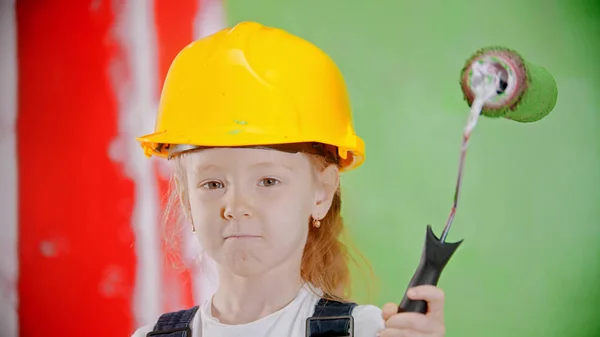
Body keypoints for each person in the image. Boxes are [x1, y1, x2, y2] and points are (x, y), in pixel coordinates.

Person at [132, 21, 446, 337]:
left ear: (321, 194)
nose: (237, 206)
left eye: (268, 181)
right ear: (188, 201)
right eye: (213, 184)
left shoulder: (368, 332)